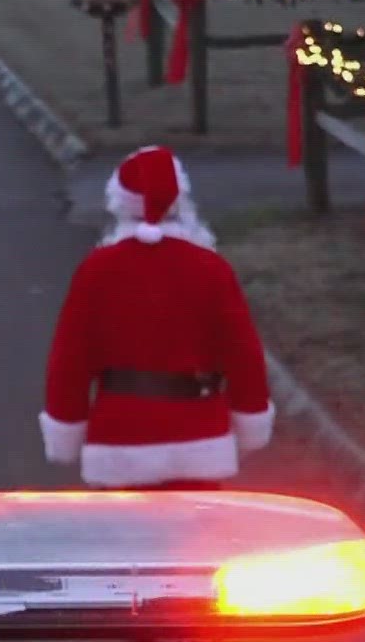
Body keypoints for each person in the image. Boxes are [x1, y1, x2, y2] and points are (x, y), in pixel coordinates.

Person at [39, 146, 274, 490]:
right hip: (199, 438)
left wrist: (66, 428)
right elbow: (243, 354)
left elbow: (69, 360)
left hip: (119, 440)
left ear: (119, 204)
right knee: (198, 541)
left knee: (123, 541)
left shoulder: (97, 270)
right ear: (181, 202)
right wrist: (250, 421)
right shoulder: (211, 269)